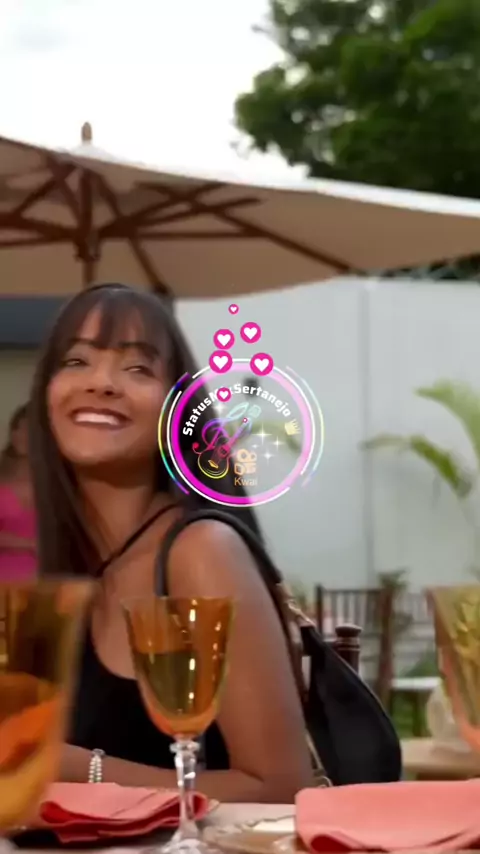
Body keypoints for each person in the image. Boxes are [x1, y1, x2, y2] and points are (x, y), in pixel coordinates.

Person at [29, 283, 312, 803]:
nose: (101, 383)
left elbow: (279, 786)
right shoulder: (73, 564)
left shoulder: (201, 551)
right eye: (76, 361)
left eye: (138, 368)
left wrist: (76, 769)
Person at [0, 404, 37, 580]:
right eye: (18, 429)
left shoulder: (60, 481)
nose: (21, 435)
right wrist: (30, 544)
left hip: (51, 579)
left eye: (30, 430)